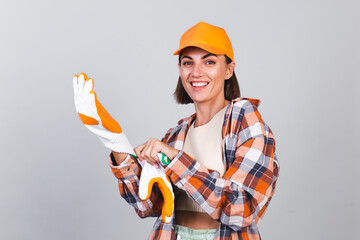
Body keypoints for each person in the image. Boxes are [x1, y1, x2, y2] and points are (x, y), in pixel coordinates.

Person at [109, 22, 279, 240]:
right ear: (180, 70)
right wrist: (116, 145)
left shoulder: (246, 122)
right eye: (187, 63)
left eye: (209, 62)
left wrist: (174, 159)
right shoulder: (177, 134)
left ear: (229, 69)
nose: (196, 72)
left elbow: (242, 209)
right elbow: (147, 206)